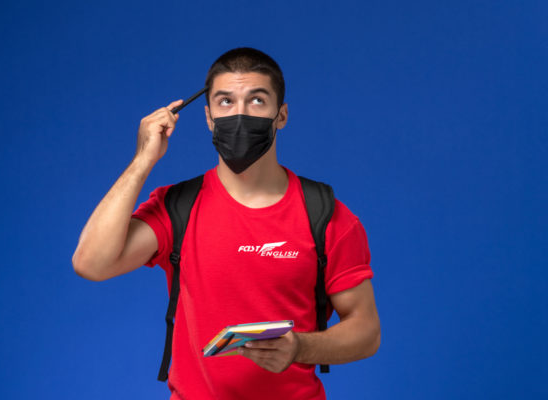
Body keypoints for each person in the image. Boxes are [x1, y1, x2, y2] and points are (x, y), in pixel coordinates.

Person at [72, 47, 381, 399]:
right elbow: (91, 263)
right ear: (208, 117)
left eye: (257, 101)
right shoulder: (178, 208)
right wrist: (143, 160)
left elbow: (366, 331)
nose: (240, 114)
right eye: (225, 102)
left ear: (281, 115)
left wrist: (300, 347)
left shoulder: (325, 215)